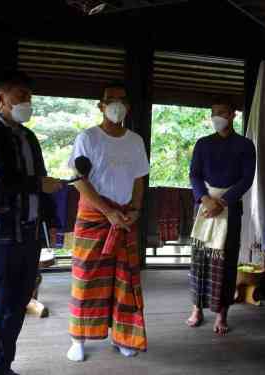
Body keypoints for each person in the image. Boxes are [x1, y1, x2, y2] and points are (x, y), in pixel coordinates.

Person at [0, 71, 62, 375]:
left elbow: (40, 178)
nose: (27, 103)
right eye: (20, 96)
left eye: (29, 97)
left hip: (29, 234)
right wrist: (39, 184)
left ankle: (2, 366)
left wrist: (52, 218)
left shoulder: (29, 136)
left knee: (18, 304)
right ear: (1, 99)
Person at [66, 82, 149, 362]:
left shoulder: (135, 141)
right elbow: (79, 180)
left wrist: (135, 209)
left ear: (128, 106)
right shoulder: (87, 137)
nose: (116, 104)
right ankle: (78, 338)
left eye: (122, 100)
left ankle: (123, 336)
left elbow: (139, 179)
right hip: (94, 217)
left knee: (124, 280)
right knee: (86, 277)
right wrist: (106, 212)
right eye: (110, 100)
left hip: (125, 217)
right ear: (100, 106)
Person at [187, 99, 256, 335]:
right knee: (200, 259)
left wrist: (224, 202)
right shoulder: (203, 144)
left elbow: (247, 179)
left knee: (225, 263)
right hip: (205, 207)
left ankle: (221, 313)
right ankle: (197, 308)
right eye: (214, 112)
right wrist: (205, 199)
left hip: (231, 209)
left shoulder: (245, 146)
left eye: (223, 112)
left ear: (233, 114)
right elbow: (194, 174)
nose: (218, 116)